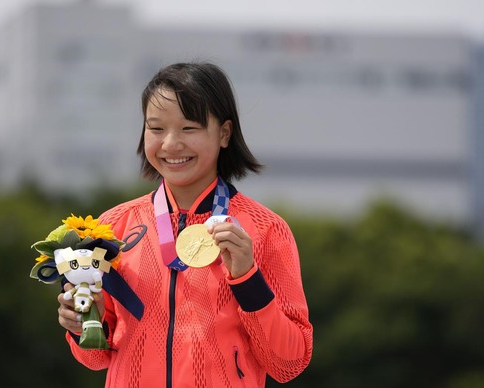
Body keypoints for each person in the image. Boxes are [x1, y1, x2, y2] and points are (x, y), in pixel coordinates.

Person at [57, 62, 313, 387]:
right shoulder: (112, 228)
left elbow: (288, 364)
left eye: (189, 128)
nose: (171, 144)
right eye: (156, 128)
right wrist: (81, 326)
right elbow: (96, 357)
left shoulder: (265, 230)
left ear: (224, 133)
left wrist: (248, 278)